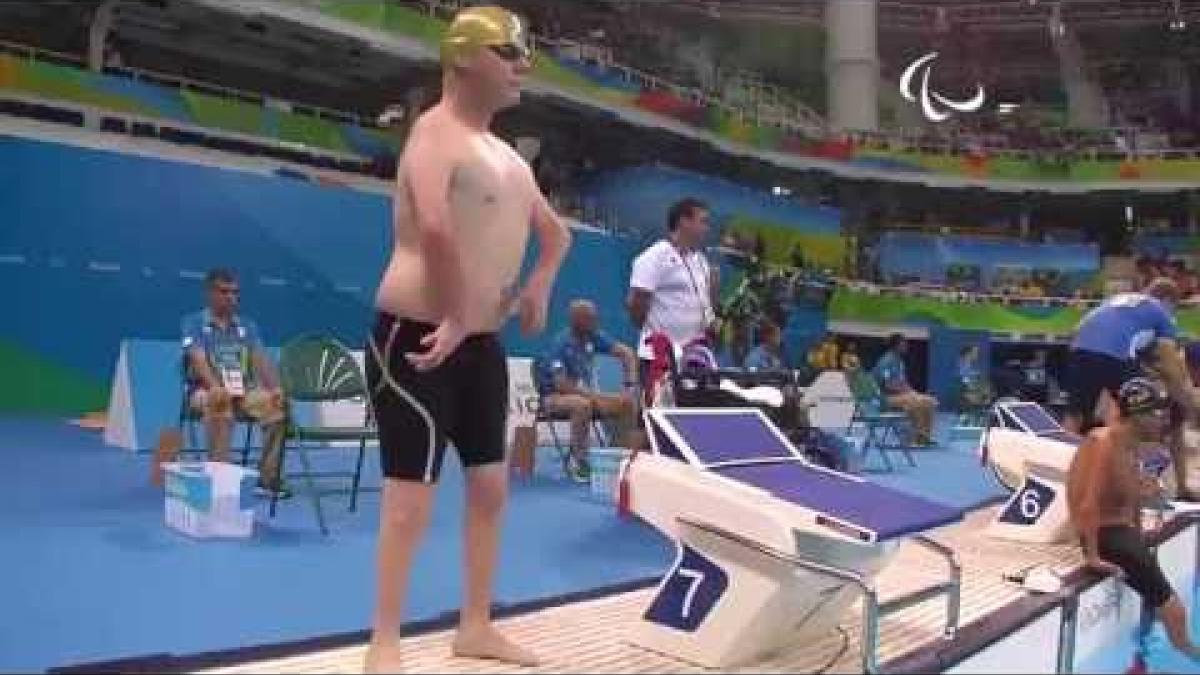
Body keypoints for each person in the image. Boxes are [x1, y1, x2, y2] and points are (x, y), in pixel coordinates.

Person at [362, 7, 571, 672]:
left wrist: (539, 284)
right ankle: (385, 641)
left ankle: (475, 625)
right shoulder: (434, 134)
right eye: (507, 51)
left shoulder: (509, 158)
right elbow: (434, 227)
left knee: (489, 488)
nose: (522, 65)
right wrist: (452, 314)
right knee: (408, 501)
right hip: (417, 339)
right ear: (461, 57)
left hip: (477, 344)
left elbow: (556, 233)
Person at [1066, 378, 1200, 662]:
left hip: (1120, 531)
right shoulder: (1102, 442)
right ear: (1138, 415)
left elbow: (1131, 502)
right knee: (1174, 607)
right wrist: (1091, 556)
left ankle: (1144, 650)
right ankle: (1189, 650)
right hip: (1105, 535)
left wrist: (1140, 531)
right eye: (1156, 413)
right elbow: (1088, 503)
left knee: (1156, 590)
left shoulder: (1130, 446)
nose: (1162, 420)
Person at [181, 268, 287, 496]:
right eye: (225, 292)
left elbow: (260, 359)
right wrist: (215, 386)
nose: (232, 297)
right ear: (210, 293)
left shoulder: (247, 326)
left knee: (276, 407)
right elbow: (197, 358)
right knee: (219, 402)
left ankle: (268, 479)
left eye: (235, 292)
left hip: (244, 392)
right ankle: (220, 480)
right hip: (205, 390)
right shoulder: (194, 323)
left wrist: (275, 388)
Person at [1064, 278, 1195, 433]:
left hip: (1080, 349)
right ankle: (1141, 451)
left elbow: (1077, 330)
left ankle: (1063, 451)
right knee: (1143, 408)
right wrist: (1187, 401)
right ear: (1168, 300)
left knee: (1076, 413)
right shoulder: (1160, 310)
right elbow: (1170, 364)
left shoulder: (1117, 299)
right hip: (1115, 355)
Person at [533, 299, 639, 481]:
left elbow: (626, 353)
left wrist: (630, 384)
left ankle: (616, 459)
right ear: (576, 321)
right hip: (554, 398)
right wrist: (596, 396)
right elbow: (562, 385)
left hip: (588, 396)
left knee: (627, 403)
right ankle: (579, 462)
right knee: (581, 405)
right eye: (590, 318)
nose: (596, 321)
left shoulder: (594, 336)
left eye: (595, 317)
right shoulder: (560, 344)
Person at [627, 197, 718, 401]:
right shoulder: (654, 256)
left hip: (693, 358)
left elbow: (703, 301)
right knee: (655, 419)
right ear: (684, 222)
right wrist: (656, 333)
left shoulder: (700, 260)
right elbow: (636, 302)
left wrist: (710, 322)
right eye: (703, 221)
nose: (707, 228)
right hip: (659, 359)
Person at [872, 333, 937, 446]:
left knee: (929, 401)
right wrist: (911, 394)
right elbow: (888, 385)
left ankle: (925, 437)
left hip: (901, 396)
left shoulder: (900, 362)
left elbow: (904, 383)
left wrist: (914, 392)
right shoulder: (886, 361)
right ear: (896, 346)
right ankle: (915, 437)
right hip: (886, 398)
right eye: (904, 344)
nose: (906, 346)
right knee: (917, 402)